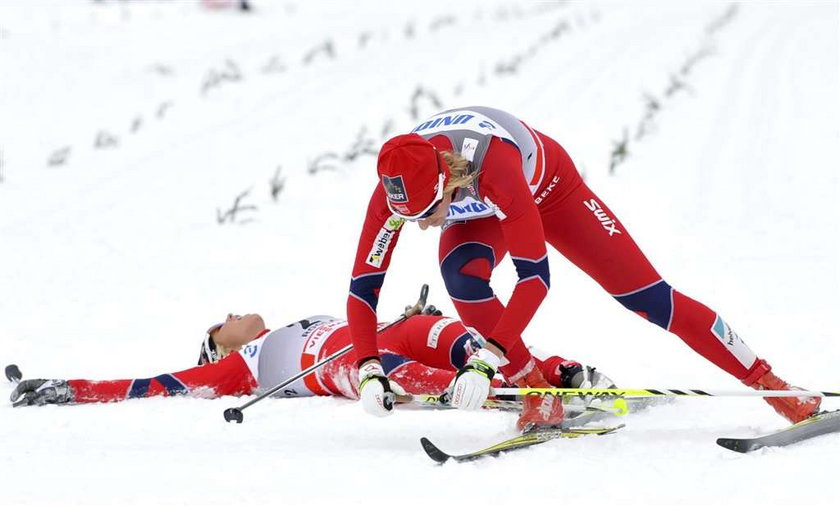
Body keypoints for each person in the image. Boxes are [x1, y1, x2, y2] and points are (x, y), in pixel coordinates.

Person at [347, 105, 820, 428]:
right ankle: (539, 393)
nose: (424, 227)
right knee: (461, 275)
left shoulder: (496, 168)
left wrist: (486, 359)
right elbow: (364, 289)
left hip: (551, 192)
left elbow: (535, 280)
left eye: (428, 214)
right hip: (482, 208)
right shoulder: (395, 190)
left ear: (447, 179)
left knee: (649, 299)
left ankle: (774, 386)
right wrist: (369, 366)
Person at [9, 311, 610, 418]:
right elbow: (147, 386)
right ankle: (513, 400)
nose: (231, 313)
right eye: (219, 323)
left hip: (378, 328)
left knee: (450, 332)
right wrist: (67, 389)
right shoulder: (237, 366)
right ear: (217, 347)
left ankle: (552, 375)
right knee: (399, 365)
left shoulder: (275, 324)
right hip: (341, 362)